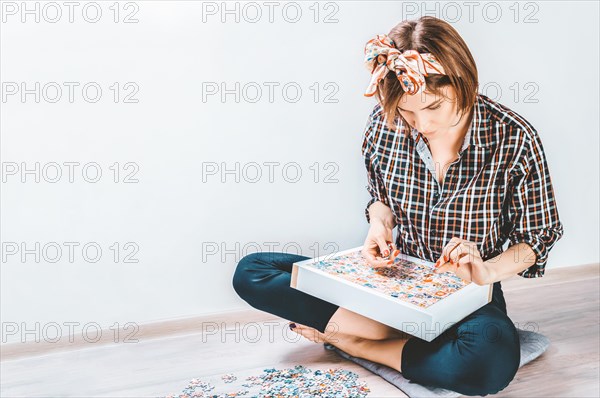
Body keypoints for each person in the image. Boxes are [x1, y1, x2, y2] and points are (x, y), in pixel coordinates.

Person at [232, 16, 564, 396]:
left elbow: (538, 236)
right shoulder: (384, 123)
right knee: (251, 271)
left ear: (464, 84)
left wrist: (485, 271)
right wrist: (379, 225)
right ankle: (389, 329)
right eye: (408, 113)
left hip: (464, 292)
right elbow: (381, 199)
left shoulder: (515, 138)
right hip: (391, 282)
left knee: (488, 360)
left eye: (435, 108)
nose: (421, 124)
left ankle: (352, 340)